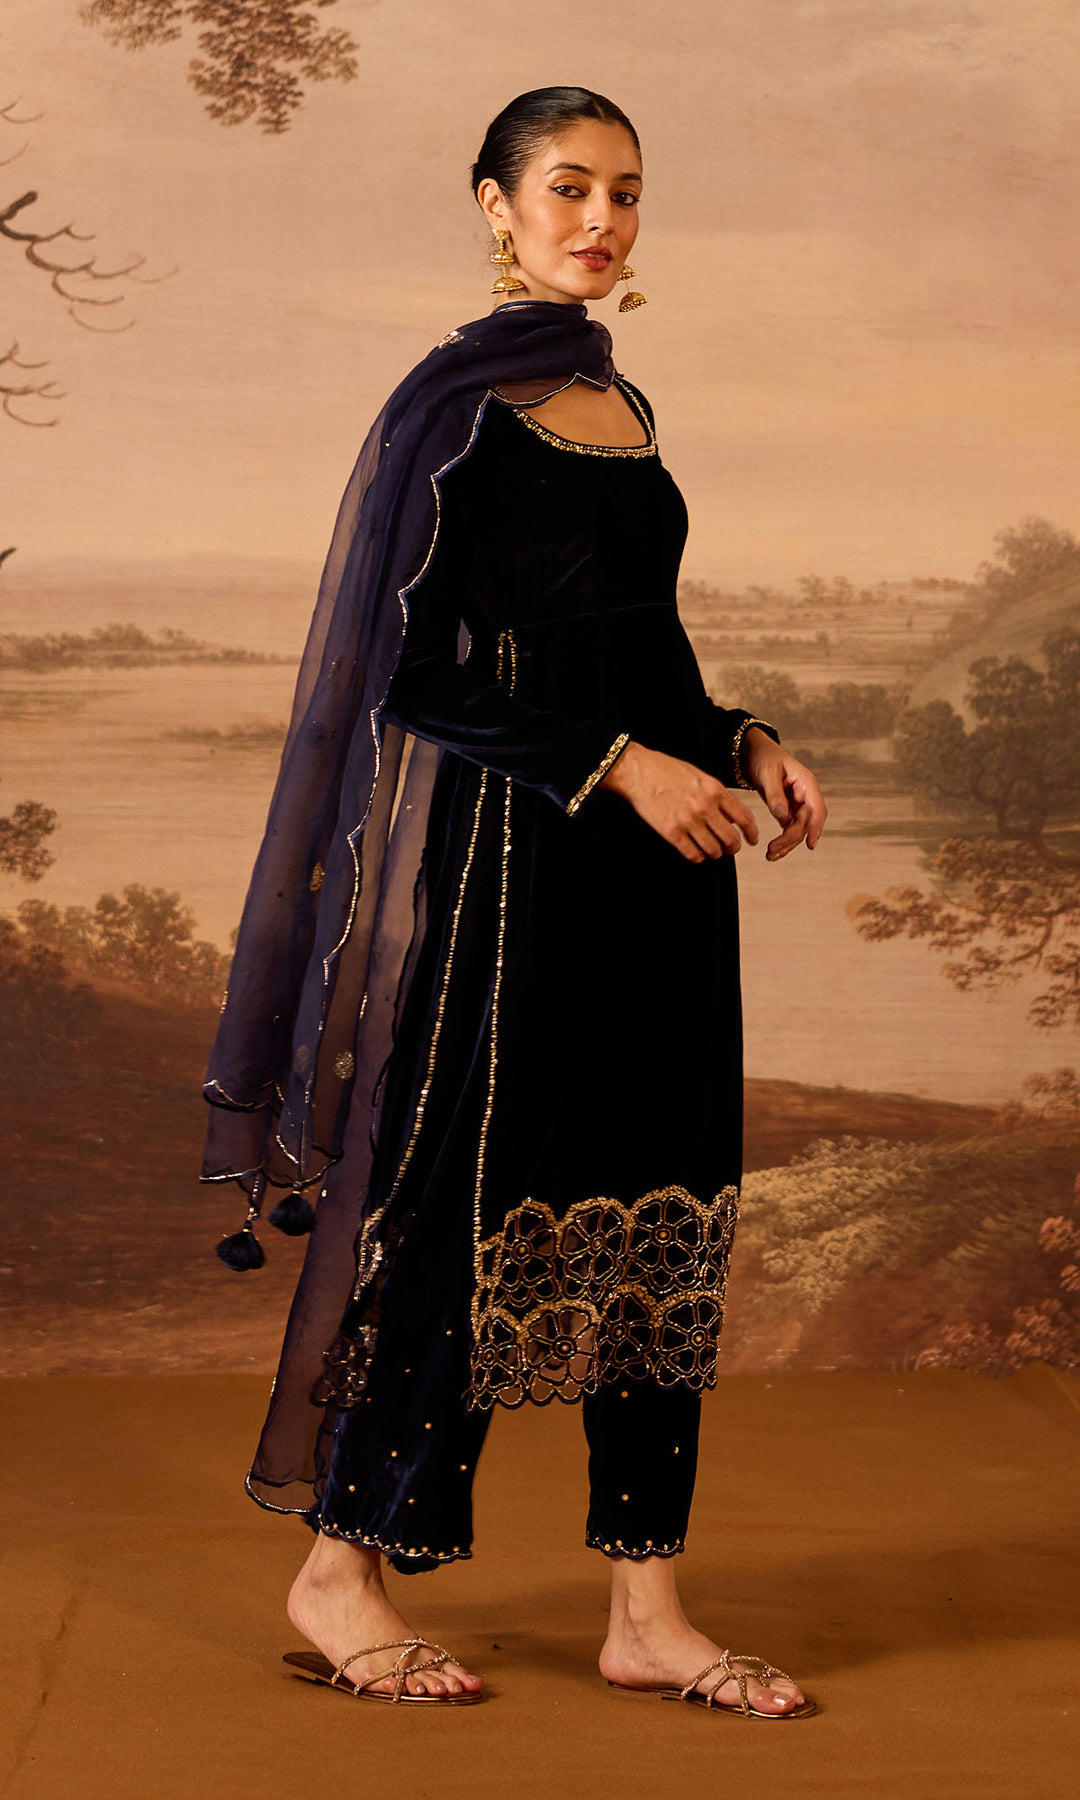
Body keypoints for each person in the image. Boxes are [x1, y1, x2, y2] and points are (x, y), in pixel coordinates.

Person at [202, 86, 826, 1717]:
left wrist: (743, 742)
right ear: (494, 203)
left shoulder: (618, 398)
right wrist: (615, 765)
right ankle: (340, 1570)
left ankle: (649, 1611)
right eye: (568, 188)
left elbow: (643, 645)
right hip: (520, 862)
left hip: (668, 870)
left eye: (627, 192)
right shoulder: (458, 410)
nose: (601, 220)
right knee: (467, 1209)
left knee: (666, 1206)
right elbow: (409, 675)